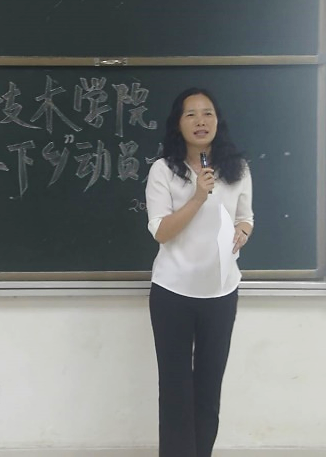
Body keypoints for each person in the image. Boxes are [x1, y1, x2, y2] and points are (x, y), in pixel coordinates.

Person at [144, 87, 254, 457]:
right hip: (172, 291)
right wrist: (197, 197)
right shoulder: (163, 171)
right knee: (176, 389)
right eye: (190, 114)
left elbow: (246, 217)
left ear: (218, 121)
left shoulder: (237, 168)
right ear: (178, 124)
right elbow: (161, 231)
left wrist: (243, 231)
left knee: (209, 388)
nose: (200, 121)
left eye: (207, 113)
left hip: (221, 291)